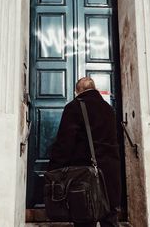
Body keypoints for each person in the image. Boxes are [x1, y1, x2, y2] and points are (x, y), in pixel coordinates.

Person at [48, 77, 122, 227]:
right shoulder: (109, 109)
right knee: (110, 219)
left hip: (85, 176)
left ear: (77, 91)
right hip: (110, 175)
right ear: (94, 89)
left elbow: (64, 144)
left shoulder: (73, 107)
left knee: (85, 219)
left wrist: (54, 169)